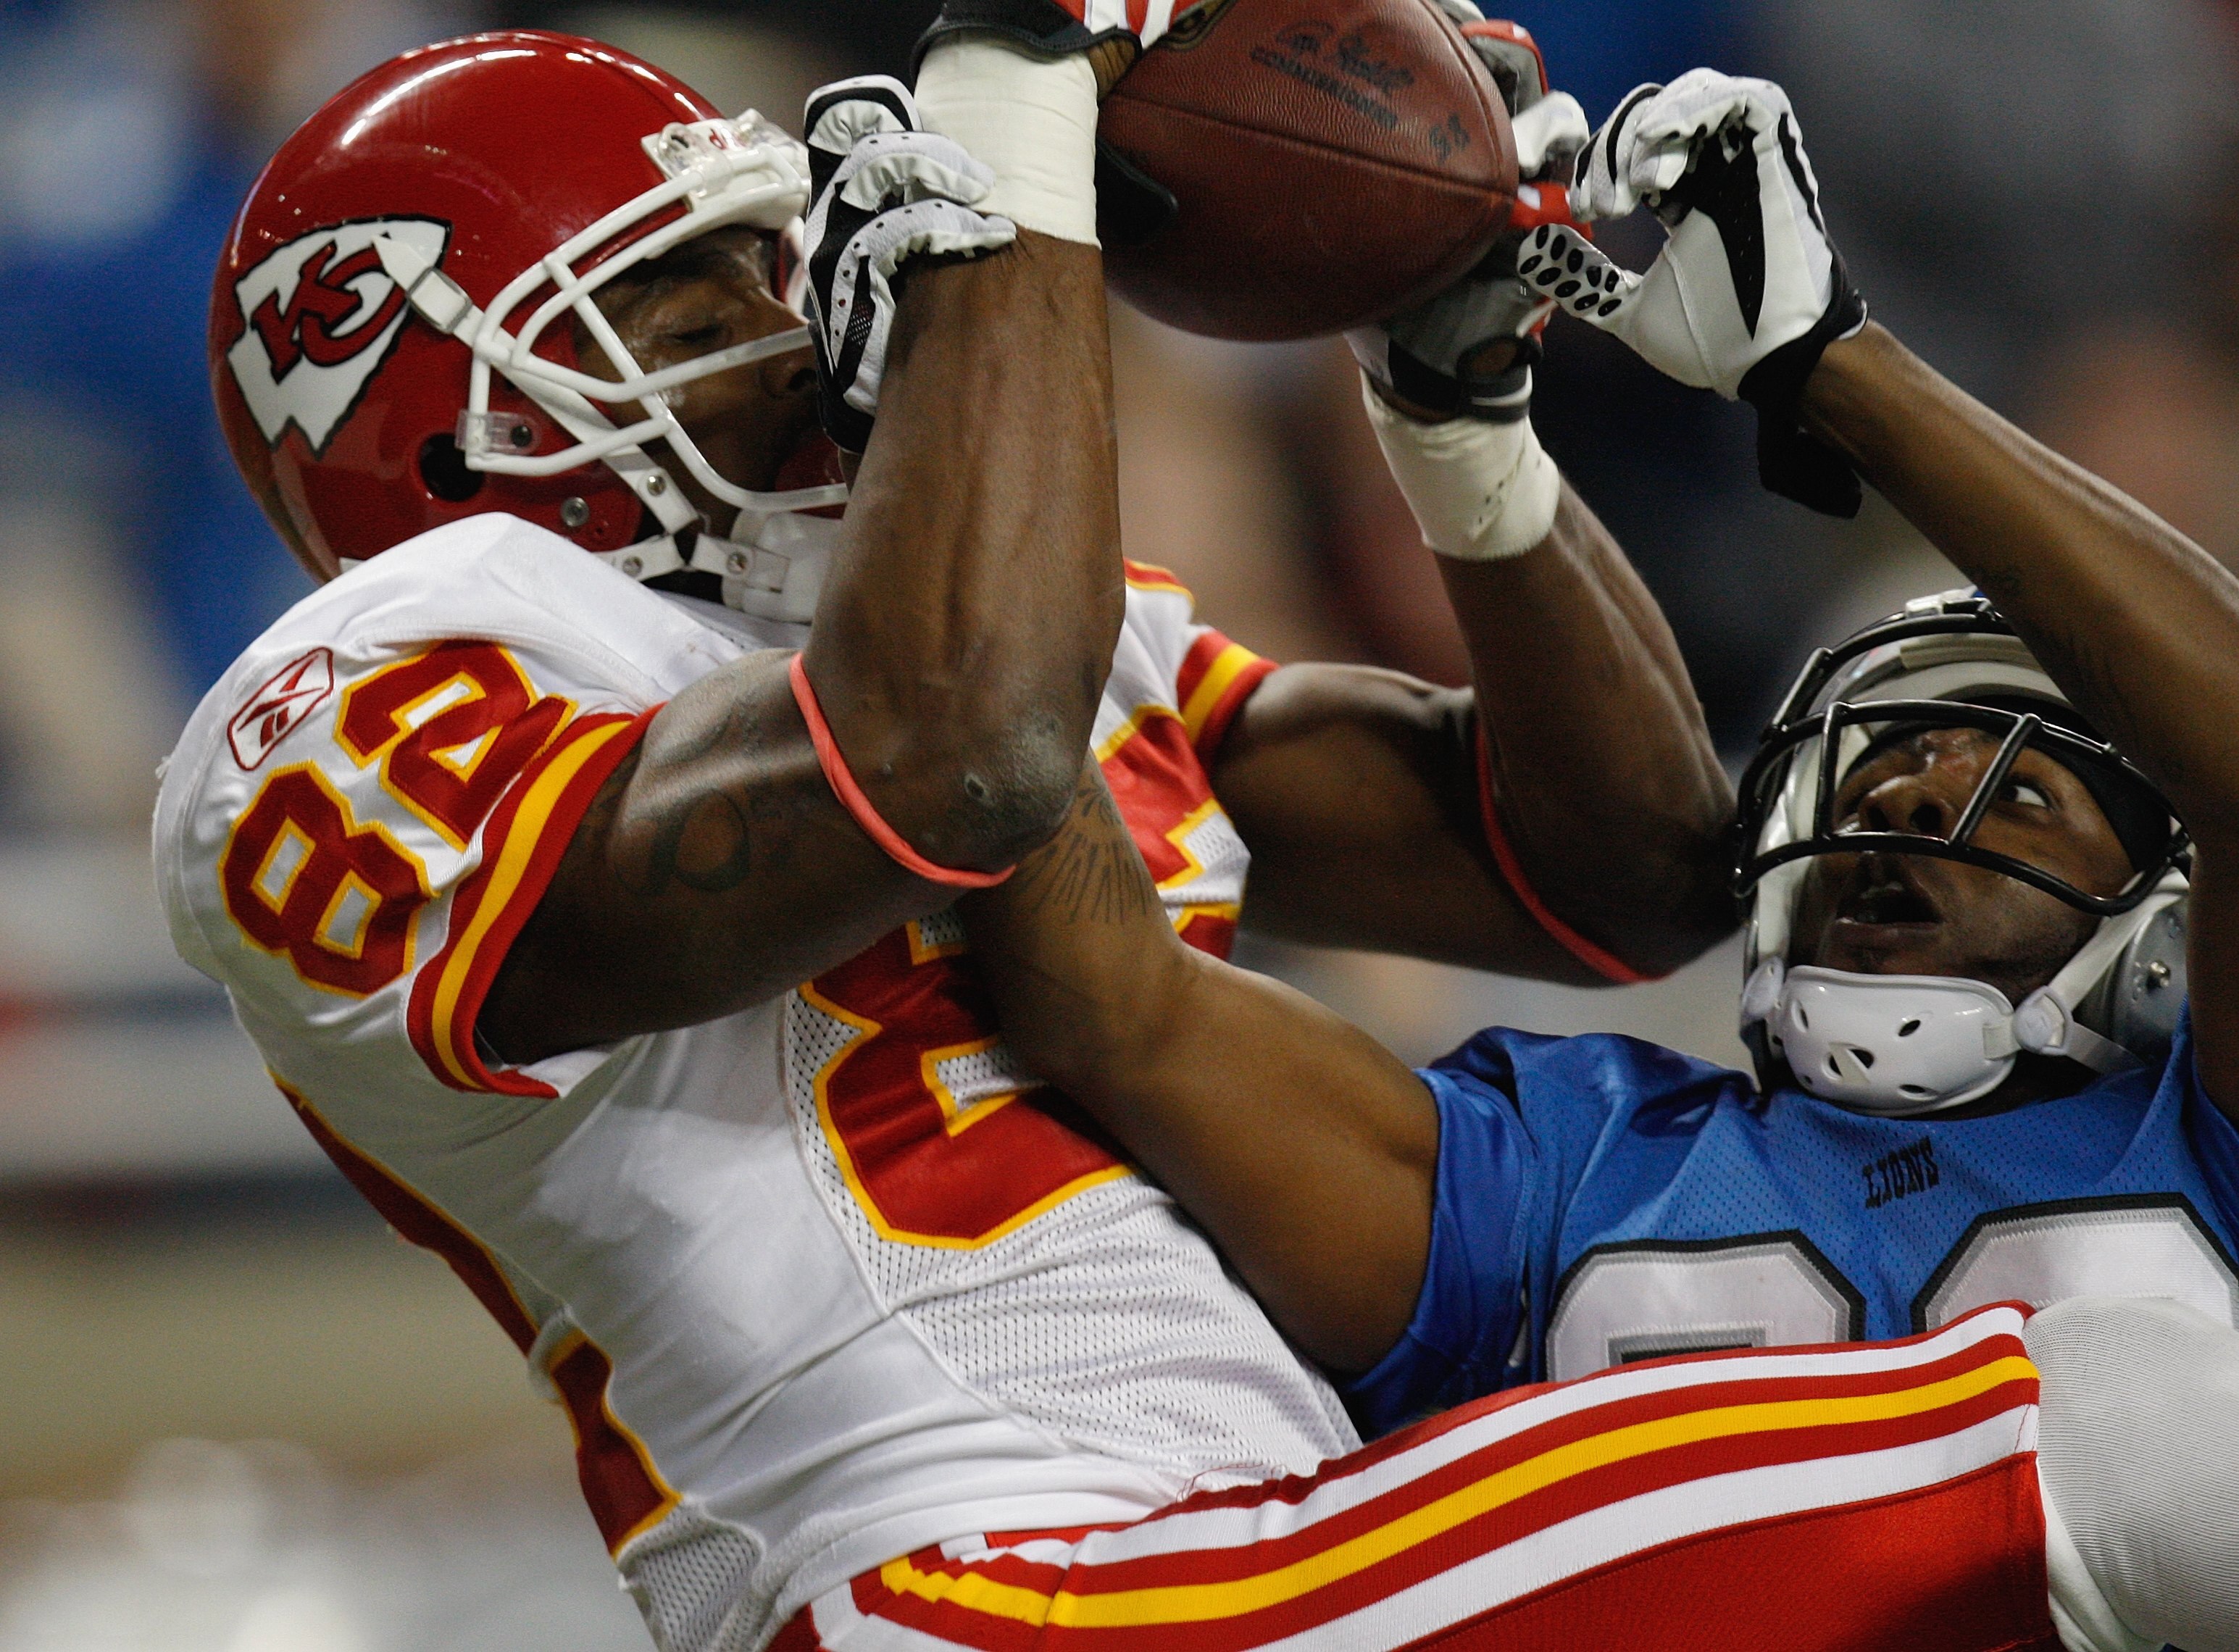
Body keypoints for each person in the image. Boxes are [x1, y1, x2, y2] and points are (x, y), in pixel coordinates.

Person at [156, 11, 1743, 1651]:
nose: (789, 337)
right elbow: (952, 763)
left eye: (773, 272)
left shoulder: (992, 628)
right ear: (449, 437)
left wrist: (1463, 426)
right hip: (957, 1574)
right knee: (1924, 1437)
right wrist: (1017, 126)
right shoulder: (364, 695)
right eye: (689, 307)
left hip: (1249, 1533)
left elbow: (1624, 875)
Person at [954, 71, 2239, 1652]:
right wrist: (938, 456)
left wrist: (1829, 364)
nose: (1912, 804)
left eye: (2018, 796)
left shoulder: (2204, 1133)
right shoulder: (1572, 1163)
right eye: (1884, 764)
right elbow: (1114, 1005)